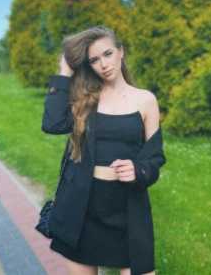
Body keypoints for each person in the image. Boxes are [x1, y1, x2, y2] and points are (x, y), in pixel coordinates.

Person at [41, 25, 166, 275]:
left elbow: (155, 158)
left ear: (121, 52)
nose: (104, 64)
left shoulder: (145, 99)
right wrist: (65, 71)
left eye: (108, 54)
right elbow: (52, 124)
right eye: (94, 60)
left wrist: (138, 169)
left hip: (127, 208)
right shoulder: (84, 98)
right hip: (82, 208)